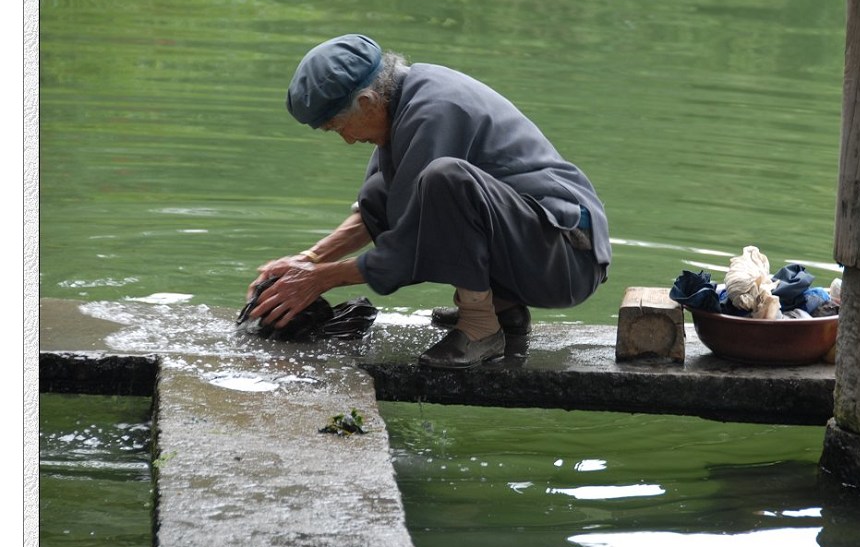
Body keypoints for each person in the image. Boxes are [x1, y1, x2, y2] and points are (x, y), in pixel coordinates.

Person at [246, 34, 611, 369]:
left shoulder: (434, 110)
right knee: (377, 190)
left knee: (446, 179)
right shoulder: (401, 101)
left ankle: (481, 328)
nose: (346, 140)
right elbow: (381, 212)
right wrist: (308, 260)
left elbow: (409, 245)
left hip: (566, 260)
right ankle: (503, 309)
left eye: (339, 127)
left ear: (366, 101)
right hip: (537, 248)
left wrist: (320, 280)